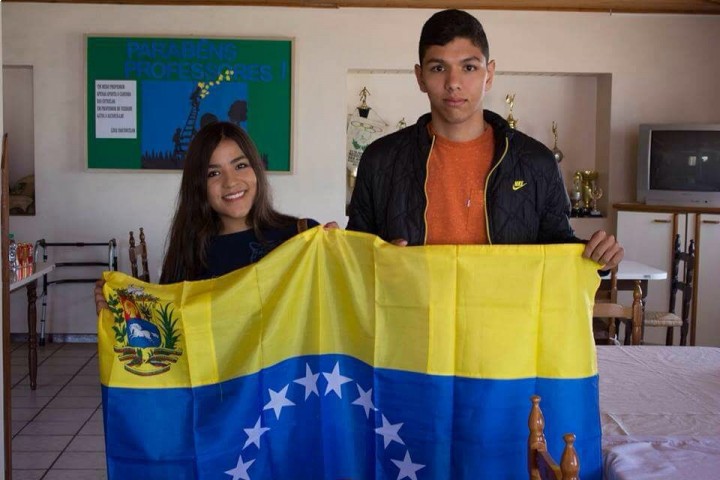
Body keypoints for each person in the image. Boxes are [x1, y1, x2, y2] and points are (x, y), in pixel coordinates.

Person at [347, 9, 623, 270]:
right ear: (420, 77)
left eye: (468, 67)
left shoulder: (536, 162)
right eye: (438, 68)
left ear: (489, 75)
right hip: (412, 306)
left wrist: (595, 257)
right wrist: (344, 251)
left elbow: (557, 248)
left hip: (507, 307)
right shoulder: (381, 159)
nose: (453, 83)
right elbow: (356, 256)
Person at [96, 121, 333, 312]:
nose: (230, 182)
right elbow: (169, 332)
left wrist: (340, 256)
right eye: (213, 173)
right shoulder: (189, 253)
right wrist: (118, 312)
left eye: (240, 166)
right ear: (198, 186)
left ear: (256, 170)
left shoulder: (303, 235)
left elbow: (336, 308)